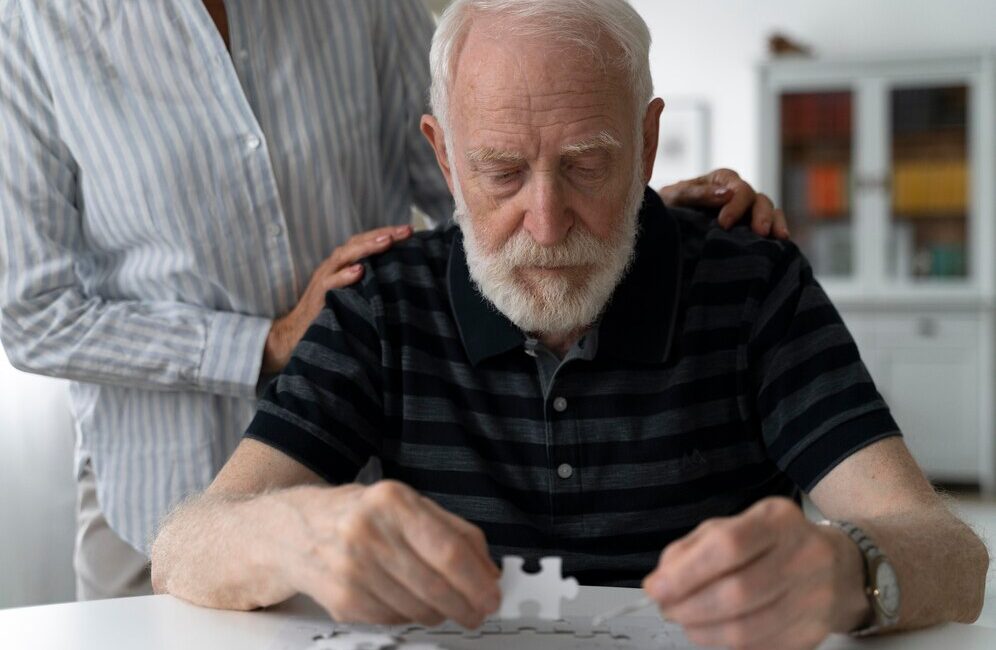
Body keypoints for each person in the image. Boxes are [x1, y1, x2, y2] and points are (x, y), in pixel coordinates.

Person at [150, 1, 988, 647]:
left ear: (649, 143)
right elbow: (183, 548)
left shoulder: (753, 284)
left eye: (588, 165)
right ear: (443, 157)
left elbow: (955, 556)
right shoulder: (382, 303)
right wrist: (298, 532)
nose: (546, 225)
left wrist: (845, 570)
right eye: (502, 172)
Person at [0, 0, 784, 602]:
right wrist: (267, 343)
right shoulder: (32, 27)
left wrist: (611, 211)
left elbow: (484, 172)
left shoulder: (366, 6)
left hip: (364, 465)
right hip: (152, 482)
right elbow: (32, 314)